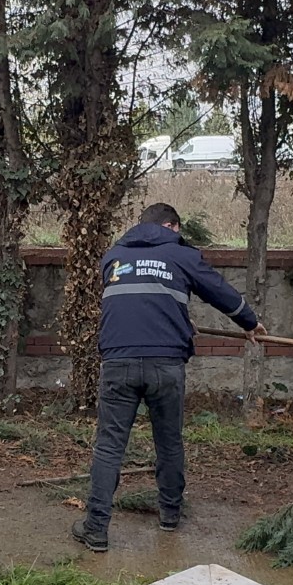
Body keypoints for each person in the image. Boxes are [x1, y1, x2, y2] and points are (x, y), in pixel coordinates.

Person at [72, 203, 266, 552]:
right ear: (171, 226)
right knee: (169, 440)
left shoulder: (113, 258)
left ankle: (96, 528)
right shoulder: (181, 255)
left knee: (109, 447)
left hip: (118, 361)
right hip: (166, 364)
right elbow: (219, 291)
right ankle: (170, 516)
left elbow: (137, 302)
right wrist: (250, 323)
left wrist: (177, 317)